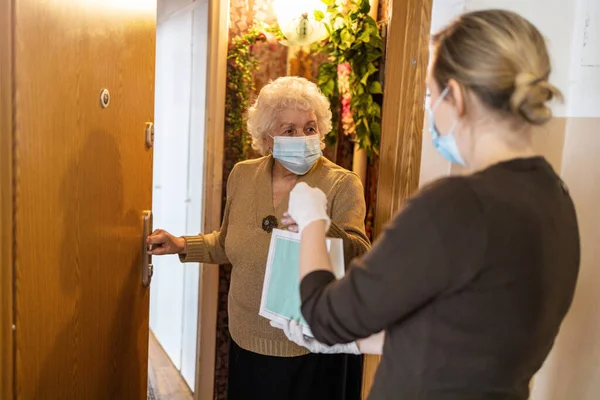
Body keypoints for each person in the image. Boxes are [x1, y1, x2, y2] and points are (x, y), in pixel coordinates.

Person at [280, 9, 581, 399]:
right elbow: (465, 331)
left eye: (428, 93)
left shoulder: (454, 206)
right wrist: (356, 344)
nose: (428, 106)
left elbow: (324, 316)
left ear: (453, 95)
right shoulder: (555, 197)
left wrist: (311, 220)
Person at [146, 76, 372, 400]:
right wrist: (182, 244)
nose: (303, 137)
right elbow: (228, 243)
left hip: (308, 351)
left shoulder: (341, 184)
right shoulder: (242, 174)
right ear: (268, 139)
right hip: (245, 341)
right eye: (289, 130)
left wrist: (320, 224)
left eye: (310, 128)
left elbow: (359, 254)